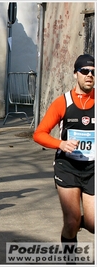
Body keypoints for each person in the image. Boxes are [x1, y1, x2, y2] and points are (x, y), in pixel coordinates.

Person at [33, 54, 95, 247]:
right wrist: (60, 144)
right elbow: (39, 134)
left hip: (92, 169)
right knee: (70, 222)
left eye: (93, 72)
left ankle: (79, 222)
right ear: (75, 74)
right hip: (67, 167)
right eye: (84, 71)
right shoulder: (63, 102)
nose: (89, 75)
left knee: (93, 224)